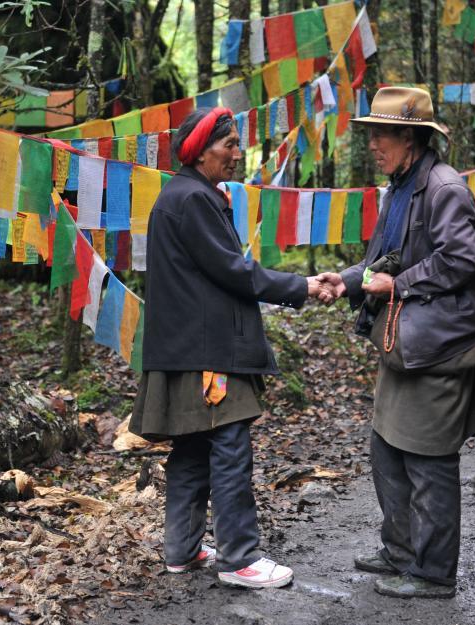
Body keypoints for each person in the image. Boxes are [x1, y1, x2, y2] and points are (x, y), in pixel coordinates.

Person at [129, 107, 326, 589]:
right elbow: (233, 271)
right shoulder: (192, 199)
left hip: (189, 348)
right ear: (200, 149)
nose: (238, 155)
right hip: (207, 353)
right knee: (230, 446)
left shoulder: (185, 195)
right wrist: (300, 285)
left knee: (193, 449)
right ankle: (239, 560)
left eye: (238, 144)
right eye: (229, 145)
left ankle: (183, 549)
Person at [318, 87, 475, 599]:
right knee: (386, 450)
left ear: (412, 139)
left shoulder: (444, 188)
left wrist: (400, 285)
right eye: (370, 133)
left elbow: (462, 260)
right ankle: (399, 551)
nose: (372, 144)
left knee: (429, 460)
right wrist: (349, 280)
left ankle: (434, 573)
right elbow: (387, 260)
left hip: (439, 351)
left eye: (382, 134)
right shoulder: (400, 187)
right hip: (405, 348)